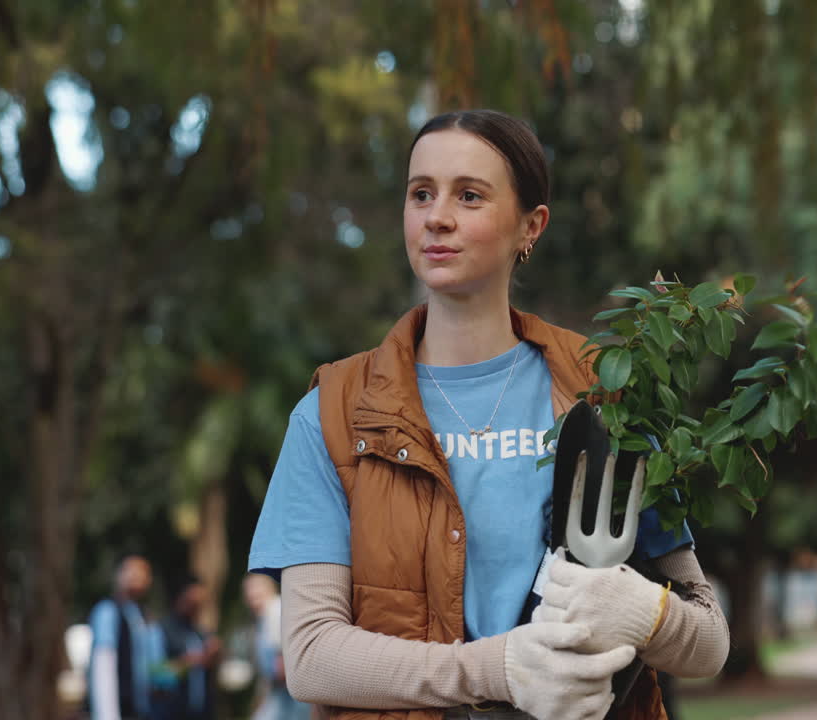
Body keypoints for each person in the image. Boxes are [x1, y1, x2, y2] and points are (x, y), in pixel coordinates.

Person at [248, 109, 729, 720]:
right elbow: (312, 655)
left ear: (531, 227)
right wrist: (499, 669)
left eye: (469, 196)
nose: (437, 216)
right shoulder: (335, 413)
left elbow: (709, 642)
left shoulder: (607, 394)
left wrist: (646, 612)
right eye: (421, 193)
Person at [88, 554, 155, 720]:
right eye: (130, 570)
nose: (136, 576)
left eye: (143, 572)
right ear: (118, 575)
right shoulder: (107, 611)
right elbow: (103, 666)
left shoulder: (142, 616)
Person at [148, 574, 221, 720]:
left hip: (201, 713)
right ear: (180, 597)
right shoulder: (160, 629)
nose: (196, 607)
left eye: (200, 603)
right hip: (170, 713)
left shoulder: (200, 633)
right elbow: (156, 675)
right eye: (192, 601)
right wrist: (191, 662)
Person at [243, 573, 311, 720]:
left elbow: (281, 664)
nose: (252, 593)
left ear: (269, 588)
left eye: (256, 588)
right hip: (282, 690)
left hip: (289, 691)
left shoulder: (275, 610)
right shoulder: (261, 617)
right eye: (249, 589)